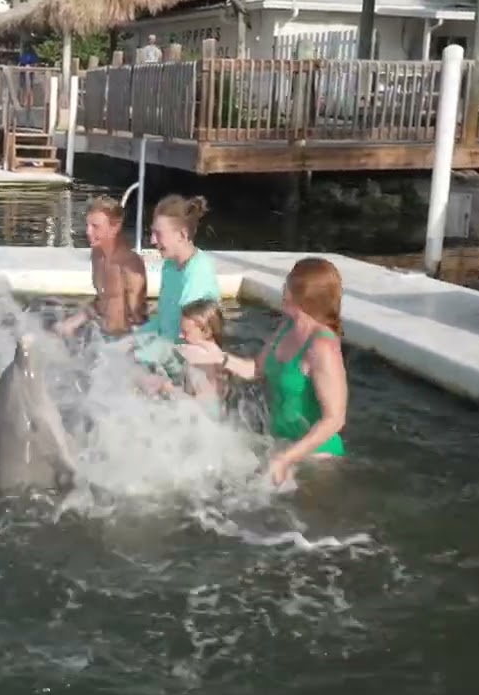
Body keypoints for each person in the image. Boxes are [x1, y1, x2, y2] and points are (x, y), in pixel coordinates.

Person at [178, 257, 348, 485]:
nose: (283, 289)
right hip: (280, 446)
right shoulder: (287, 326)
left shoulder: (323, 346)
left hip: (316, 459)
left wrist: (288, 458)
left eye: (288, 285)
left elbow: (335, 419)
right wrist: (218, 357)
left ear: (304, 295)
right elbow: (256, 369)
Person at [130, 194, 220, 372]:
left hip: (192, 366)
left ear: (182, 235)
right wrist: (132, 338)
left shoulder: (198, 273)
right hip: (168, 353)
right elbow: (165, 321)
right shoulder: (169, 266)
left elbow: (186, 336)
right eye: (152, 232)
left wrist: (139, 356)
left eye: (159, 234)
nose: (152, 240)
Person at [56, 196, 148, 340]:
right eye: (87, 225)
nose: (88, 231)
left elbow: (138, 318)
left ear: (115, 227)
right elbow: (103, 300)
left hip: (122, 341)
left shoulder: (130, 264)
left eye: (95, 226)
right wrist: (74, 321)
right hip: (101, 334)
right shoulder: (97, 255)